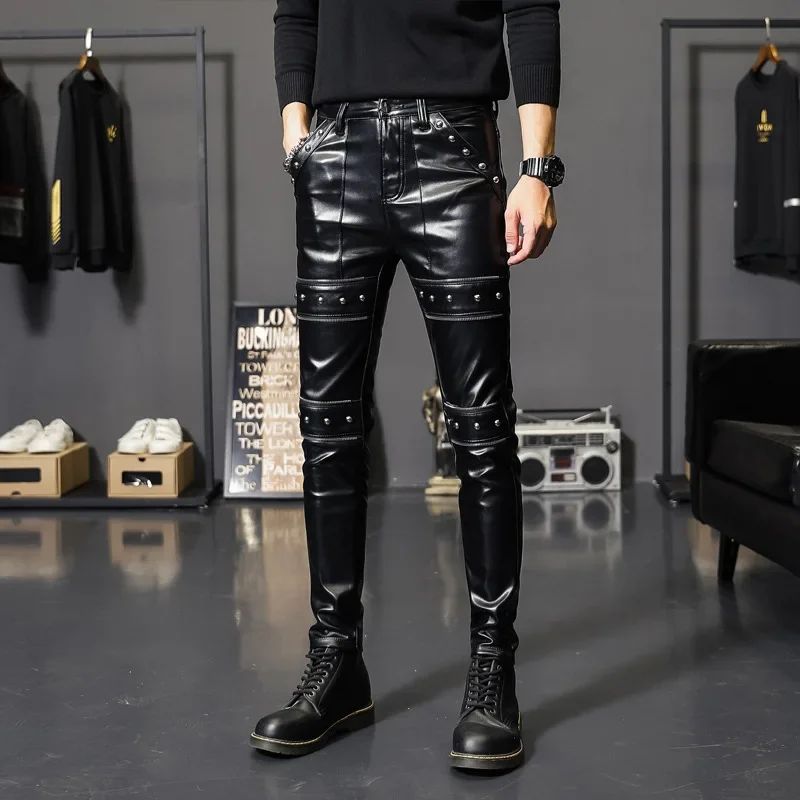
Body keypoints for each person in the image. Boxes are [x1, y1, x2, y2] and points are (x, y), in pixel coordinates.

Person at [251, 0, 563, 772]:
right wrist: (296, 130)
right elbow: (296, 12)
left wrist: (537, 169)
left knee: (480, 427)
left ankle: (492, 672)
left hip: (452, 149)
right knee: (326, 426)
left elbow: (530, 9)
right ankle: (336, 663)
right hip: (335, 154)